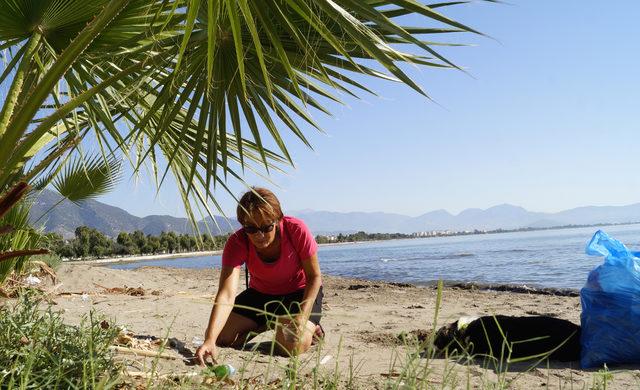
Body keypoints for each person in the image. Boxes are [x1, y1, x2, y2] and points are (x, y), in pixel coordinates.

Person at [195, 187, 323, 365]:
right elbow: (226, 294)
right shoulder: (237, 242)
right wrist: (209, 339)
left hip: (298, 293)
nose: (259, 235)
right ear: (243, 224)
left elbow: (314, 277)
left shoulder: (296, 230)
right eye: (251, 228)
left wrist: (302, 315)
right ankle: (270, 323)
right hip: (260, 295)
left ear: (278, 220)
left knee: (290, 346)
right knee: (223, 339)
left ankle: (311, 328)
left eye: (266, 227)